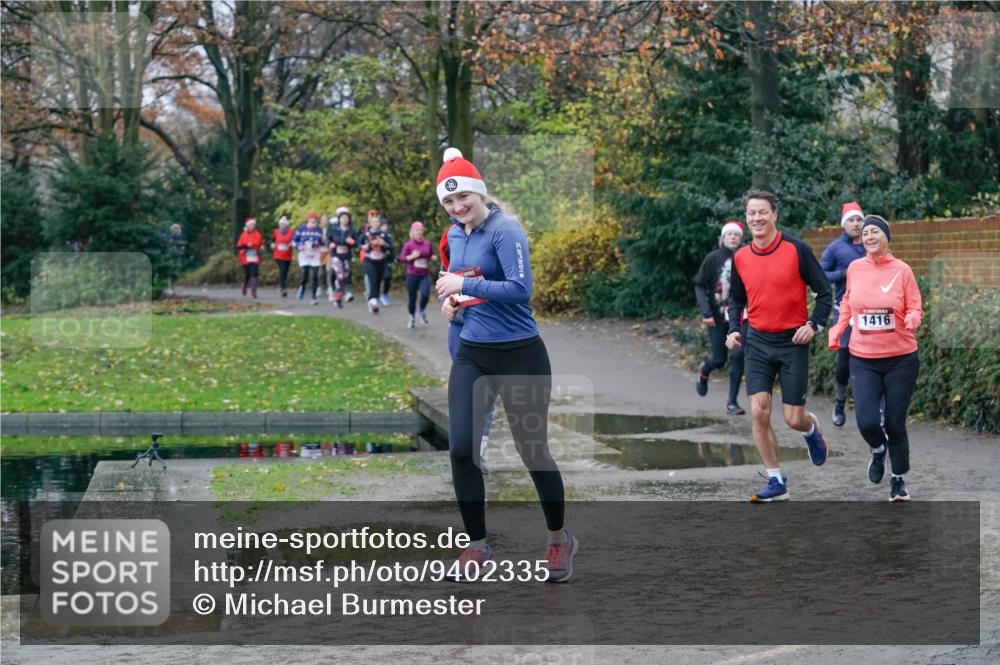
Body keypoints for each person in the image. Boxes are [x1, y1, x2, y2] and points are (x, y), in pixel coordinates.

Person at [434, 147, 576, 583]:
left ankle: (558, 539)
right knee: (461, 450)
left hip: (520, 354)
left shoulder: (505, 230)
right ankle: (476, 546)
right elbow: (463, 289)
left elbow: (520, 290)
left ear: (480, 192)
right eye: (449, 203)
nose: (458, 208)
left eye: (464, 199)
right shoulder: (453, 236)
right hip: (473, 355)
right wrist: (453, 303)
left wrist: (465, 283)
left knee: (532, 451)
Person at [725, 188, 832, 502]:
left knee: (792, 419)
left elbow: (825, 292)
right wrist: (733, 329)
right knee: (758, 412)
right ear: (747, 219)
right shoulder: (741, 257)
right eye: (751, 213)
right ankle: (776, 481)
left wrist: (814, 325)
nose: (757, 218)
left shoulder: (797, 250)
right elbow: (735, 300)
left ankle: (811, 430)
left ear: (774, 215)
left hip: (792, 342)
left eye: (762, 212)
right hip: (757, 341)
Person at [828, 215, 922, 501]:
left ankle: (898, 480)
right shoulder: (855, 268)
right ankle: (878, 450)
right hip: (863, 357)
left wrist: (914, 316)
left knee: (895, 423)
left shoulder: (902, 270)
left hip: (901, 358)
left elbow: (915, 304)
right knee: (868, 421)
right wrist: (838, 327)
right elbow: (847, 303)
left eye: (875, 232)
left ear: (886, 238)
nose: (869, 236)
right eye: (866, 232)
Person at [820, 201, 867, 427]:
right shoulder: (835, 248)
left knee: (872, 357)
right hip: (845, 311)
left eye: (859, 219)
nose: (856, 224)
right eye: (851, 220)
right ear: (844, 224)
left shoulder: (872, 244)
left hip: (871, 310)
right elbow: (821, 274)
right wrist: (844, 273)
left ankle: (872, 406)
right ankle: (840, 401)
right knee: (845, 360)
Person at [693, 220, 747, 415]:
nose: (733, 237)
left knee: (739, 356)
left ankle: (731, 402)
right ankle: (704, 371)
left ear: (741, 238)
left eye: (736, 235)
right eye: (729, 234)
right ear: (723, 238)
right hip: (717, 316)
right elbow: (699, 285)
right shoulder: (713, 258)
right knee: (719, 359)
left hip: (741, 315)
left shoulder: (747, 257)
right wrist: (706, 311)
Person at [398, 221, 434, 328]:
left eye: (421, 230)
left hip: (424, 274)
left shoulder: (427, 243)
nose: (419, 232)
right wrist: (412, 256)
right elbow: (401, 258)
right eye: (417, 230)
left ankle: (421, 311)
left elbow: (430, 254)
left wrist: (433, 257)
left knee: (425, 294)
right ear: (412, 232)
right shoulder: (408, 245)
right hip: (412, 274)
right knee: (412, 297)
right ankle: (412, 317)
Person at [359, 210, 392, 314]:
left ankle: (373, 300)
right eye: (373, 222)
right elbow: (359, 245)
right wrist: (368, 245)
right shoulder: (366, 234)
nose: (375, 223)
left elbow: (390, 247)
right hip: (369, 260)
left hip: (381, 260)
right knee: (373, 280)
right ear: (370, 223)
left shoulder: (384, 234)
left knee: (378, 281)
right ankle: (373, 301)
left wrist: (383, 243)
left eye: (377, 222)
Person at [326, 210, 358, 309]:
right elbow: (328, 239)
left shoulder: (351, 231)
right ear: (339, 219)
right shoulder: (334, 230)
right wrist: (330, 244)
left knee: (345, 276)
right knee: (340, 275)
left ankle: (338, 293)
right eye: (343, 218)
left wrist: (352, 242)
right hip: (336, 255)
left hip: (347, 255)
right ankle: (338, 297)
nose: (345, 219)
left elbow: (357, 243)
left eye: (346, 218)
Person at [293, 212, 324, 305]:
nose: (313, 224)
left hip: (315, 254)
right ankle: (302, 287)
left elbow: (322, 241)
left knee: (315, 276)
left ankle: (313, 297)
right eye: (311, 222)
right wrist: (299, 246)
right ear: (308, 221)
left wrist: (321, 243)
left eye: (315, 222)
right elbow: (294, 239)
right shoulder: (301, 228)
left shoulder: (319, 230)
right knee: (305, 274)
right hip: (304, 254)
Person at [236, 218, 263, 298]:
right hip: (245, 257)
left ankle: (254, 291)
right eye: (251, 225)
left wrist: (261, 247)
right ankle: (244, 286)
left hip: (255, 256)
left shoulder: (258, 234)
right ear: (247, 226)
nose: (253, 226)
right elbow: (238, 246)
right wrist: (246, 246)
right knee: (247, 274)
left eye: (253, 225)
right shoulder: (243, 235)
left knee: (255, 273)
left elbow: (260, 243)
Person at [271, 216, 294, 297]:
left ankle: (282, 285)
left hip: (287, 255)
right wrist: (272, 245)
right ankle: (283, 287)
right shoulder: (276, 232)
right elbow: (273, 240)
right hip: (278, 255)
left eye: (283, 224)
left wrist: (292, 244)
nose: (282, 226)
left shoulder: (291, 232)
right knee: (282, 270)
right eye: (281, 224)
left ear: (287, 225)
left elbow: (294, 241)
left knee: (285, 272)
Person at [380, 217, 394, 306]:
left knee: (387, 277)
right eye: (383, 225)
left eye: (386, 225)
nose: (385, 227)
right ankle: (374, 295)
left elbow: (391, 247)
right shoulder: (375, 234)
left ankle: (384, 294)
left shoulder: (388, 236)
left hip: (387, 261)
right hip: (377, 261)